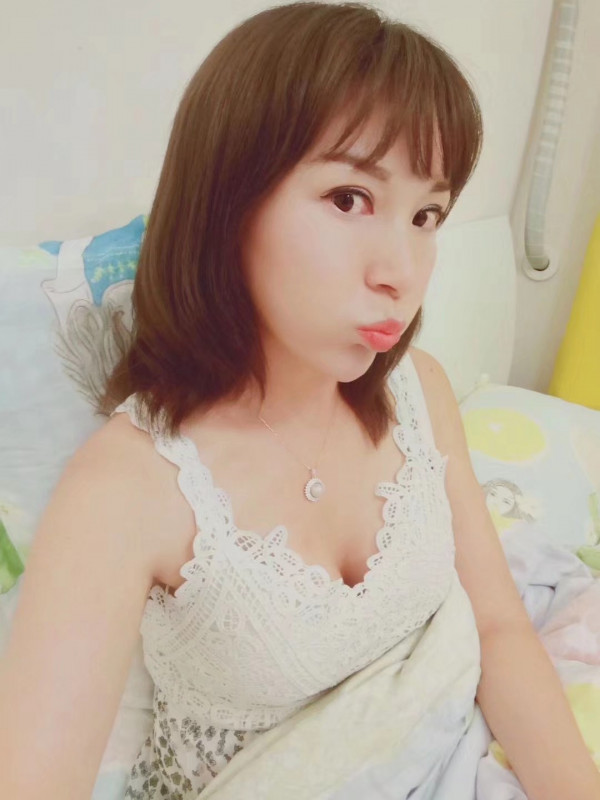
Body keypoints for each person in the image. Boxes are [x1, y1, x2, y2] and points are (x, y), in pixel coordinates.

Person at [2, 2, 599, 799]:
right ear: (226, 204)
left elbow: (496, 625)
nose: (401, 271)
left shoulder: (420, 393)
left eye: (427, 215)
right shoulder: (130, 487)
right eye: (350, 199)